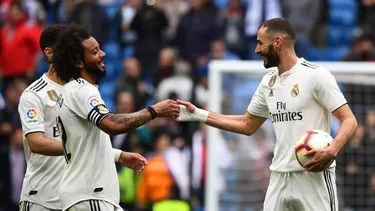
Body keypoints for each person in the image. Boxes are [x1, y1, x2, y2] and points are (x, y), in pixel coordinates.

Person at [177, 18, 357, 211]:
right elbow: (247, 124)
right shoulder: (268, 82)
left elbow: (349, 120)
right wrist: (198, 114)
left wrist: (331, 151)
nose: (256, 49)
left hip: (313, 176)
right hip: (279, 177)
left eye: (260, 43)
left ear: (277, 42)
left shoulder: (316, 76)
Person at [18, 24, 147, 211]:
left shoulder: (81, 89)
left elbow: (83, 142)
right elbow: (37, 143)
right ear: (49, 53)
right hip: (43, 198)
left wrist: (117, 155)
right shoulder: (35, 95)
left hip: (75, 197)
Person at [51, 24, 180, 211]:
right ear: (79, 62)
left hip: (86, 194)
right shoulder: (82, 90)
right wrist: (154, 111)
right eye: (95, 52)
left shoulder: (70, 91)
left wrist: (118, 156)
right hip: (90, 194)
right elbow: (111, 124)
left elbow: (83, 147)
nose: (103, 54)